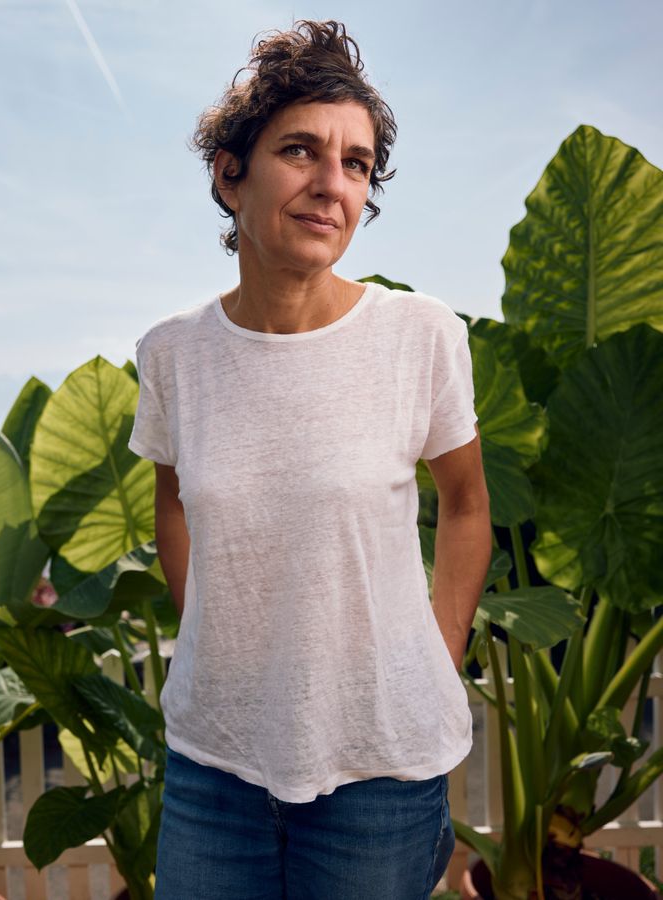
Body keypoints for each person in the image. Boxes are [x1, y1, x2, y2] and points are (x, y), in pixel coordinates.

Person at [127, 20, 492, 900]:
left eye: (358, 164)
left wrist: (435, 653)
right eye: (301, 150)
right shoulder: (173, 354)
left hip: (380, 770)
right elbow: (171, 504)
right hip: (214, 765)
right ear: (229, 171)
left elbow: (468, 505)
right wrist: (212, 635)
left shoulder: (421, 336)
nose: (333, 186)